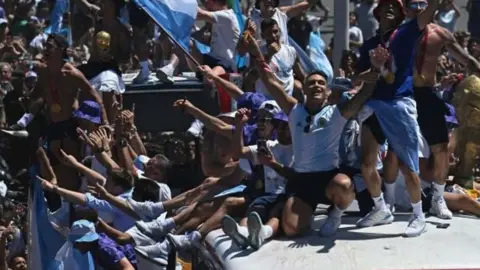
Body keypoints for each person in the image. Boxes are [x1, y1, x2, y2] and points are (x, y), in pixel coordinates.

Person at [244, 33, 382, 237]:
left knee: (344, 185)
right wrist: (257, 53)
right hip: (302, 181)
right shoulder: (293, 110)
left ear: (327, 92)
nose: (316, 85)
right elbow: (270, 81)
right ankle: (301, 219)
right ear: (304, 91)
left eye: (321, 83)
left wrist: (376, 69)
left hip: (328, 178)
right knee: (291, 230)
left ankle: (335, 213)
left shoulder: (338, 112)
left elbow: (364, 94)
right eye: (312, 83)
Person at [382, 0, 480, 220]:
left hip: (427, 93)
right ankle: (388, 200)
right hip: (402, 94)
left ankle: (438, 197)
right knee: (396, 148)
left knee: (441, 148)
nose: (418, 7)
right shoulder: (398, 34)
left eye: (421, 3)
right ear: (406, 9)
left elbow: (467, 60)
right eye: (412, 4)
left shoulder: (441, 34)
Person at [355, 0, 438, 237]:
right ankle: (381, 209)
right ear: (377, 11)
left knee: (406, 165)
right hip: (374, 106)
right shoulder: (369, 44)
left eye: (395, 5)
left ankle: (418, 215)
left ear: (401, 14)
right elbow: (357, 78)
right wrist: (374, 67)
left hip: (400, 105)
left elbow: (430, 11)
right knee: (367, 164)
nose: (390, 7)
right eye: (385, 4)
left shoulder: (407, 31)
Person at [8, 34, 107, 191]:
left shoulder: (71, 73)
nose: (46, 50)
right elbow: (37, 93)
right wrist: (26, 97)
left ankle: (76, 198)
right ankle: (64, 200)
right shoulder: (44, 73)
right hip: (53, 124)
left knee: (71, 167)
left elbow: (93, 94)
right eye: (45, 46)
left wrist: (105, 122)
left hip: (71, 125)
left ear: (62, 50)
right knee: (50, 161)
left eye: (50, 46)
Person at [221, 109, 292, 250]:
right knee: (253, 212)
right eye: (277, 125)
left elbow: (295, 176)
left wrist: (271, 163)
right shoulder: (267, 145)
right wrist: (239, 126)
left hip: (288, 195)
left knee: (276, 214)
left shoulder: (300, 150)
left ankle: (263, 234)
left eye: (285, 126)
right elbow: (238, 152)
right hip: (267, 195)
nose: (280, 129)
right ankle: (242, 233)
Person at [251, 18, 303, 98]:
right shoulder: (258, 52)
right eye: (268, 33)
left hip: (287, 101)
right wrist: (268, 55)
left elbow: (301, 75)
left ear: (280, 31)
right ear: (262, 36)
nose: (273, 36)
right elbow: (253, 76)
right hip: (266, 100)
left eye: (275, 32)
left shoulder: (291, 51)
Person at [68, 220, 137, 270]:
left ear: (86, 241)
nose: (75, 246)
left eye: (76, 243)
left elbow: (129, 268)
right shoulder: (93, 246)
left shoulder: (106, 248)